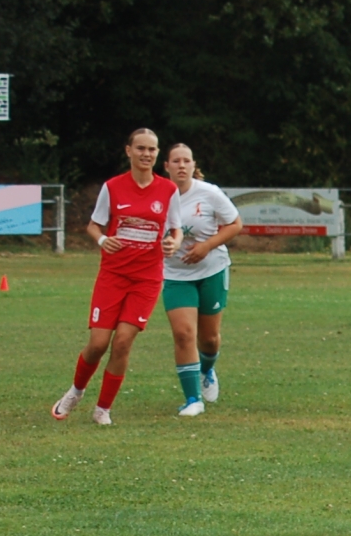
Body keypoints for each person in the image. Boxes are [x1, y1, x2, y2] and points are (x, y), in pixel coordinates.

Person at [53, 128, 181, 425]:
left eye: (152, 149)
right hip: (113, 275)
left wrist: (174, 242)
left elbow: (176, 229)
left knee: (123, 341)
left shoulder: (168, 190)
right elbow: (93, 226)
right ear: (128, 151)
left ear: (157, 154)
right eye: (141, 148)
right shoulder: (112, 187)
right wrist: (102, 240)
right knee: (98, 343)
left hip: (147, 279)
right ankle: (75, 392)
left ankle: (103, 409)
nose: (146, 154)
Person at [160, 143, 243, 416]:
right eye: (176, 161)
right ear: (167, 166)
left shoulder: (209, 193)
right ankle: (193, 399)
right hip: (175, 275)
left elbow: (235, 224)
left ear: (194, 165)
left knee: (209, 339)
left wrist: (206, 246)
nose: (182, 166)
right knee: (184, 334)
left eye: (187, 161)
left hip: (212, 271)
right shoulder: (157, 196)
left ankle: (207, 370)